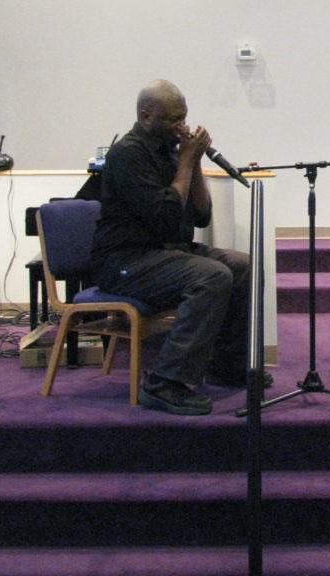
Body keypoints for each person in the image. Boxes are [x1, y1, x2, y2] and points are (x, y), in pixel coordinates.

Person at [88, 79, 269, 415]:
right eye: (173, 119)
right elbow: (166, 217)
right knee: (211, 276)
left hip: (166, 252)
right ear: (146, 116)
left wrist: (194, 161)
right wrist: (185, 161)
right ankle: (164, 382)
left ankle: (226, 363)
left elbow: (200, 216)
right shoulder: (128, 154)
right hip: (125, 260)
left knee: (243, 265)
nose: (181, 127)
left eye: (183, 118)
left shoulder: (172, 153)